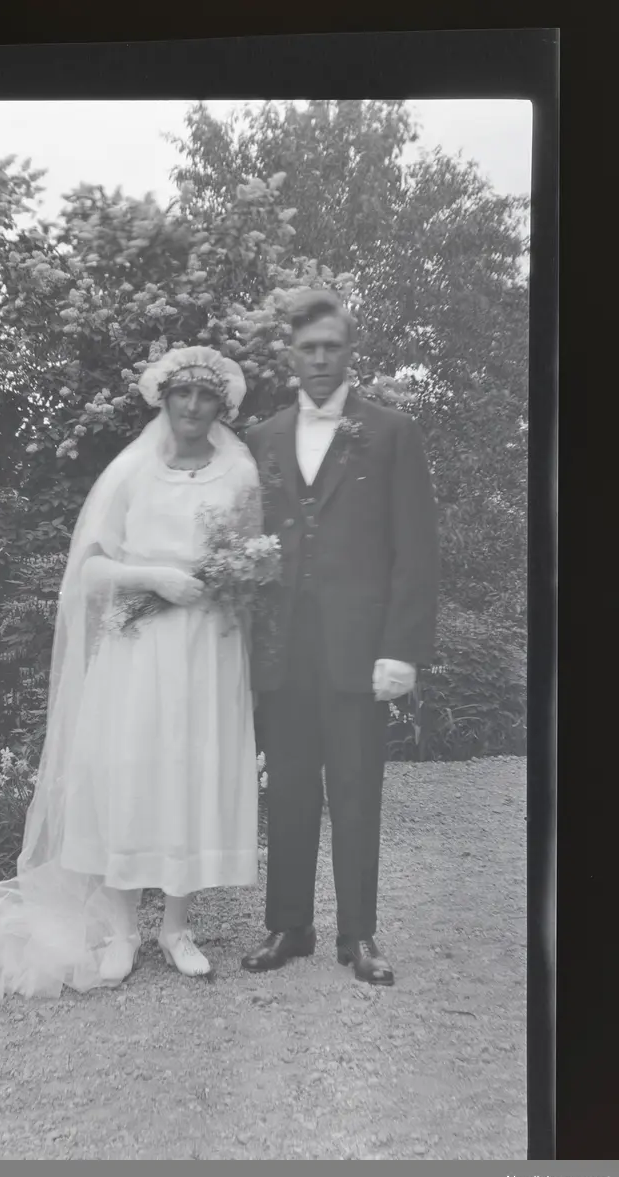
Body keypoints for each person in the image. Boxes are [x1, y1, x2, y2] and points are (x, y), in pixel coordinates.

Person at [0, 347, 261, 1004]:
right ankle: (122, 931)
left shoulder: (239, 474)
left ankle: (176, 929)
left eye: (205, 396)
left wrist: (229, 579)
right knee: (128, 773)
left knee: (188, 772)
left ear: (221, 405)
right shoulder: (130, 473)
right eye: (181, 393)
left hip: (207, 648)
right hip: (136, 646)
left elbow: (249, 559)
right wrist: (155, 578)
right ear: (163, 398)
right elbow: (89, 572)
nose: (192, 406)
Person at [242, 289, 439, 985]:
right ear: (290, 356)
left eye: (332, 347)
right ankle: (289, 925)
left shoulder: (392, 431)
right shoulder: (262, 438)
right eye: (309, 348)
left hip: (360, 650)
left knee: (357, 791)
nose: (321, 359)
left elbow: (416, 551)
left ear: (351, 351)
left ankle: (359, 935)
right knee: (289, 790)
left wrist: (402, 649)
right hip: (283, 650)